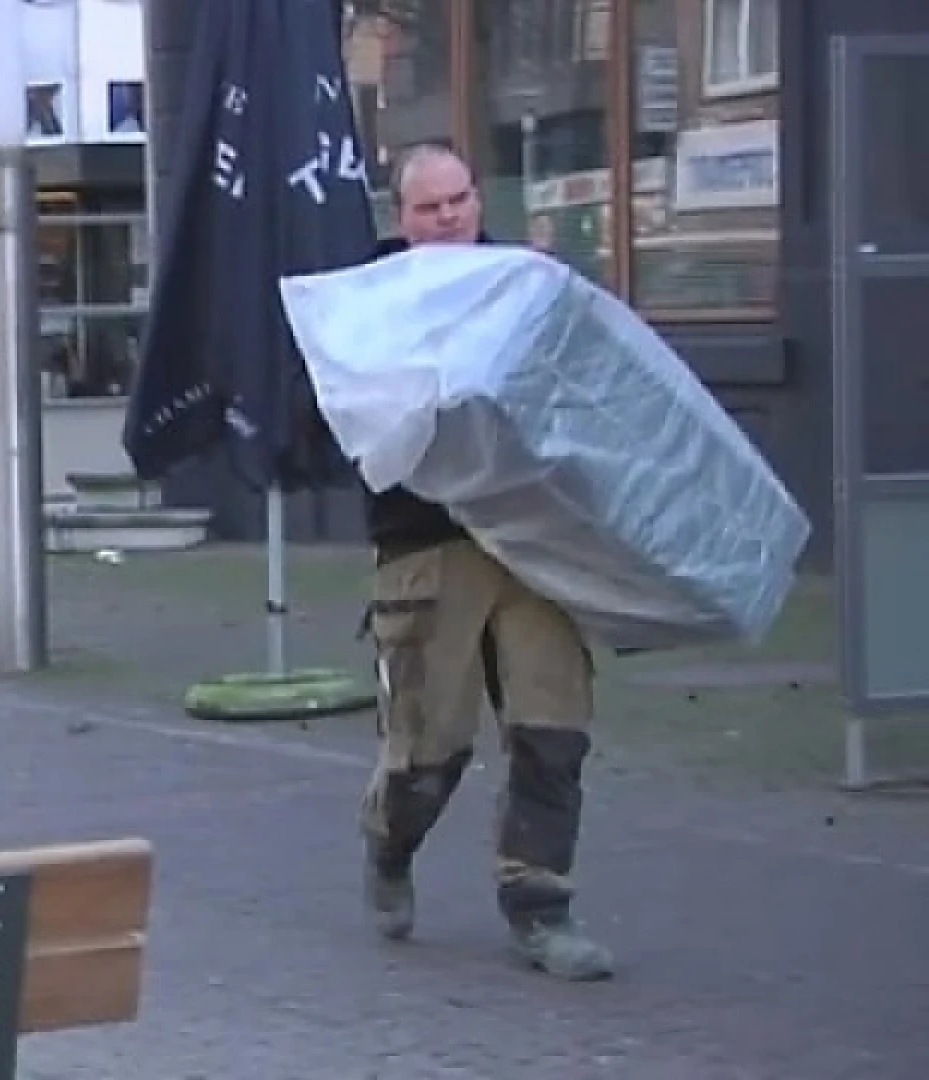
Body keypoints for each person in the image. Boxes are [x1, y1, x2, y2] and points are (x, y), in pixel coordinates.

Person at [357, 144, 615, 982]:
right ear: (400, 217)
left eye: (461, 199)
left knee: (552, 730)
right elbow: (337, 416)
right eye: (430, 208)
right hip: (428, 538)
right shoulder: (365, 304)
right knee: (430, 747)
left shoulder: (522, 284)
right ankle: (390, 844)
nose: (451, 218)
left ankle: (542, 907)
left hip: (534, 537)